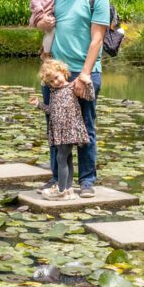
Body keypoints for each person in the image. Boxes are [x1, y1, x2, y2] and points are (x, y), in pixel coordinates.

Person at [36, 0, 110, 198]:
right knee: (54, 126)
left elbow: (97, 40)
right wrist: (40, 22)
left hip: (83, 73)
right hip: (55, 73)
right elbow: (38, 20)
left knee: (85, 127)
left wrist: (85, 75)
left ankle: (87, 181)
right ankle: (57, 179)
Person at [35, 59, 93, 200]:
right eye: (51, 82)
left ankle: (61, 191)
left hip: (70, 130)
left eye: (56, 77)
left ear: (63, 72)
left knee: (61, 158)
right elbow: (52, 110)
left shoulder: (73, 87)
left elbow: (90, 96)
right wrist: (38, 104)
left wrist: (89, 83)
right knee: (66, 159)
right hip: (59, 131)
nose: (55, 82)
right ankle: (68, 189)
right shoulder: (54, 92)